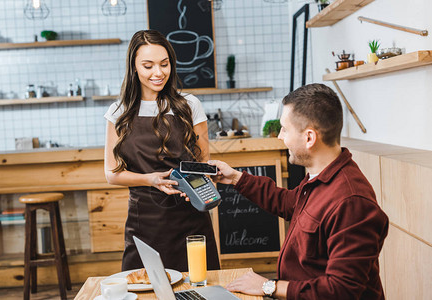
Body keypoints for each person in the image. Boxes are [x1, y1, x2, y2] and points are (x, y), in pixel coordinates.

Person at [209, 84, 389, 299]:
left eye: (285, 129)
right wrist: (236, 178)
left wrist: (269, 287)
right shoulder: (320, 177)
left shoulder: (352, 203)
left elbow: (342, 290)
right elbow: (288, 202)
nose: (280, 137)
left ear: (309, 138)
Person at [104, 29, 220, 272]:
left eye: (164, 64)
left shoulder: (189, 105)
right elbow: (112, 174)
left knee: (198, 288)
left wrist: (208, 186)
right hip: (144, 222)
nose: (158, 73)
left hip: (190, 218)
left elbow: (204, 164)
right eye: (148, 66)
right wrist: (150, 179)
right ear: (134, 67)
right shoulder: (119, 112)